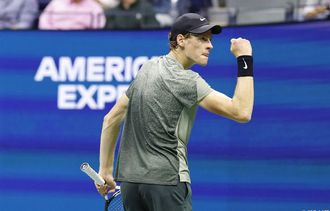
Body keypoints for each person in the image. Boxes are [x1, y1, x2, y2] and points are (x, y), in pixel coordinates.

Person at [95, 13, 254, 211]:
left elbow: (110, 119)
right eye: (202, 39)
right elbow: (242, 111)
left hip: (131, 184)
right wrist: (244, 58)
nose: (210, 45)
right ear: (181, 40)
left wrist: (106, 170)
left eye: (210, 40)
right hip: (168, 181)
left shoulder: (147, 68)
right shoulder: (187, 80)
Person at [38, 0, 105, 30]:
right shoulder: (57, 2)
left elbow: (99, 26)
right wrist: (53, 34)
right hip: (55, 37)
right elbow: (43, 20)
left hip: (81, 39)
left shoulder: (94, 7)